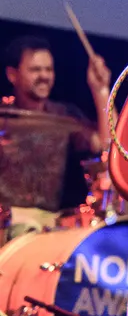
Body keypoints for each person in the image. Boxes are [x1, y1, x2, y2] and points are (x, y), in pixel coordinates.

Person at [1, 35, 111, 238]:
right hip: (7, 224)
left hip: (48, 226)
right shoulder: (3, 116)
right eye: (35, 70)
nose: (44, 76)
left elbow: (106, 147)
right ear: (12, 74)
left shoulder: (63, 115)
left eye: (48, 69)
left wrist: (101, 91)